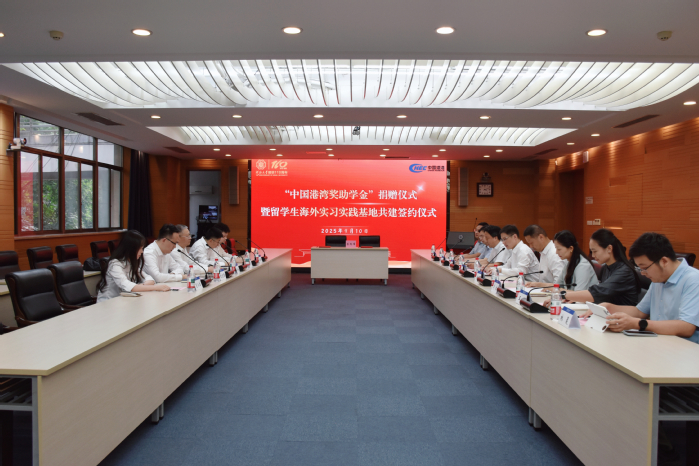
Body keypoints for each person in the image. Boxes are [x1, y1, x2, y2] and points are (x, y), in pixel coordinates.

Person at [597, 233, 699, 341]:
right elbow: (640, 312)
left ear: (664, 261)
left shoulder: (693, 279)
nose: (642, 273)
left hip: (682, 347)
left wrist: (638, 324)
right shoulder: (658, 278)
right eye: (640, 269)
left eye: (644, 268)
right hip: (657, 341)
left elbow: (686, 327)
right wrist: (609, 307)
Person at [552, 228, 640, 305]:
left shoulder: (624, 272)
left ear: (609, 249)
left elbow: (598, 292)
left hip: (622, 316)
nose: (593, 256)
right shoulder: (606, 268)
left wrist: (562, 295)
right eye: (591, 252)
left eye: (595, 251)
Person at [96, 230, 170, 302]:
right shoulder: (114, 264)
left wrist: (142, 286)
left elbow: (149, 279)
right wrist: (156, 287)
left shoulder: (131, 262)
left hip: (124, 301)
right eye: (140, 248)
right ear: (131, 248)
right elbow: (128, 286)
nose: (142, 251)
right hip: (108, 302)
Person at [527, 230, 599, 291]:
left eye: (559, 249)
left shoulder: (583, 266)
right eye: (556, 249)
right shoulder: (568, 262)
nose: (556, 252)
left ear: (571, 248)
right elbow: (558, 285)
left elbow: (578, 294)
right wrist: (539, 284)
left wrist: (558, 291)